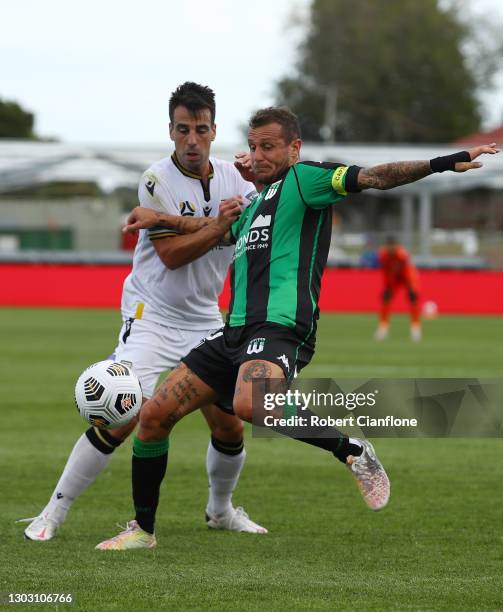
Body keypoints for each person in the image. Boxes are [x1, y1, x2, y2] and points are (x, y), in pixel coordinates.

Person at [95, 107, 499, 550]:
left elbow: (377, 176)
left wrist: (441, 162)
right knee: (154, 417)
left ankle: (352, 449)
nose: (258, 155)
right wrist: (162, 219)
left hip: (281, 327)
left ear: (294, 148)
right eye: (252, 146)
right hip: (234, 334)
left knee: (254, 403)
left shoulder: (307, 181)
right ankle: (143, 531)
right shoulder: (253, 205)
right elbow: (213, 229)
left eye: (268, 146)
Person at [20, 82, 267, 542]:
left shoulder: (237, 178)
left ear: (214, 131)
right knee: (123, 413)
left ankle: (220, 511)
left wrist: (253, 186)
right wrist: (220, 226)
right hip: (151, 315)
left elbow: (254, 222)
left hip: (206, 319)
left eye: (200, 129)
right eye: (182, 129)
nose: (191, 140)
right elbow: (174, 255)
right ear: (170, 131)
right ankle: (53, 512)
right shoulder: (155, 180)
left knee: (229, 421)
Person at [375, 236, 421, 341]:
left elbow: (408, 270)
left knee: (413, 299)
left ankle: (415, 329)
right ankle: (383, 328)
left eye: (393, 245)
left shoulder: (402, 254)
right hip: (393, 278)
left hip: (406, 276)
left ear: (396, 245)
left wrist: (412, 287)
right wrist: (387, 286)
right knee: (385, 299)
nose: (391, 248)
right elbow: (386, 272)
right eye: (389, 246)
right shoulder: (383, 255)